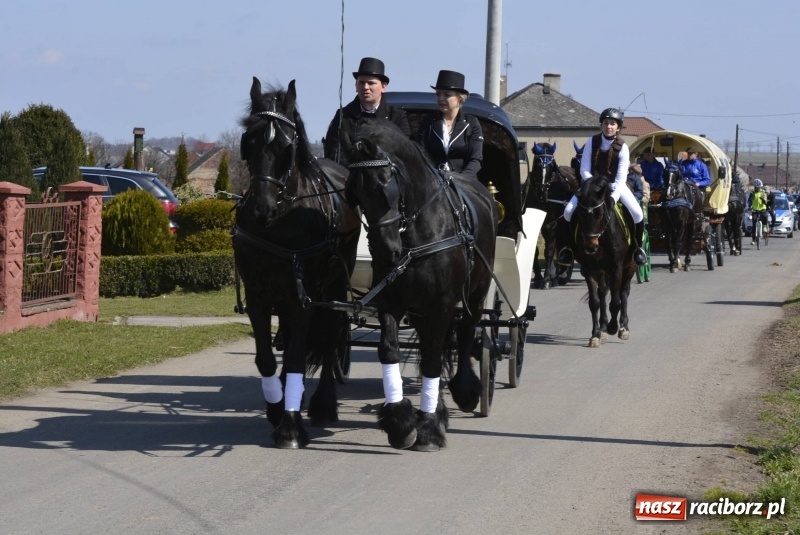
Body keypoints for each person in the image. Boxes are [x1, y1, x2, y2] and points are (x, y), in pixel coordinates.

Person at [558, 108, 647, 266]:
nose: (609, 126)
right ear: (602, 125)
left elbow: (621, 177)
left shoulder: (623, 147)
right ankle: (567, 249)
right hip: (592, 186)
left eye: (612, 124)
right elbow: (584, 169)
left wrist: (613, 197)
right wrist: (594, 184)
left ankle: (637, 249)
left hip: (615, 186)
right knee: (568, 211)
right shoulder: (592, 142)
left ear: (618, 127)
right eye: (606, 123)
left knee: (637, 213)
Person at [323, 57, 411, 165]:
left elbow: (403, 154)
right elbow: (336, 152)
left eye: (371, 83)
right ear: (356, 86)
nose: (365, 87)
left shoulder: (397, 117)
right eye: (361, 82)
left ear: (383, 87)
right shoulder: (343, 116)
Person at [416, 70, 483, 181]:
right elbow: (421, 154)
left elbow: (476, 159)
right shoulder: (428, 122)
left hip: (464, 182)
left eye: (446, 95)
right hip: (433, 181)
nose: (441, 99)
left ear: (460, 98)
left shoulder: (472, 123)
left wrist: (462, 179)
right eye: (438, 94)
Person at [749, 179, 769, 244]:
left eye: (759, 187)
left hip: (762, 209)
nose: (758, 189)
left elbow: (765, 200)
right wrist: (749, 206)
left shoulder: (763, 192)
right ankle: (753, 239)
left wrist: (764, 200)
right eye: (757, 187)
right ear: (755, 187)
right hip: (755, 209)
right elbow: (749, 201)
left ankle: (765, 226)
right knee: (754, 223)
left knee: (765, 216)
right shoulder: (752, 193)